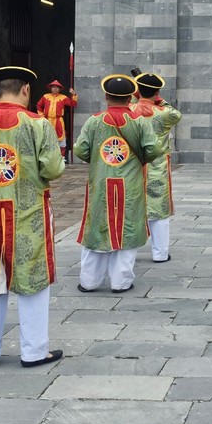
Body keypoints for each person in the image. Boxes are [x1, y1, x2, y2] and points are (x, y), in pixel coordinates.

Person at [0, 66, 64, 368]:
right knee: (33, 278)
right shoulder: (37, 123)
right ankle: (33, 351)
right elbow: (54, 169)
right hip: (27, 211)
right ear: (26, 90)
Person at [74, 74, 162, 293]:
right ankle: (120, 282)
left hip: (101, 183)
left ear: (106, 96)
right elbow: (154, 149)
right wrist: (138, 158)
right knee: (128, 229)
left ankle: (89, 281)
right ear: (131, 97)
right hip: (130, 183)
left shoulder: (95, 120)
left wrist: (96, 159)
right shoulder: (139, 121)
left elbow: (81, 149)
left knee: (96, 228)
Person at [132, 72, 182, 263]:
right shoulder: (166, 113)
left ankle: (128, 251)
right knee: (159, 210)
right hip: (156, 165)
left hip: (132, 165)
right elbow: (175, 113)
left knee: (131, 207)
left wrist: (138, 97)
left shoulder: (130, 110)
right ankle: (160, 253)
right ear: (158, 92)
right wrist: (158, 100)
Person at [36, 79, 78, 161]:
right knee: (46, 137)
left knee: (61, 138)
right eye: (53, 87)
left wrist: (74, 94)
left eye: (57, 87)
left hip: (58, 120)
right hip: (47, 120)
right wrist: (41, 115)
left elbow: (73, 104)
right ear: (50, 88)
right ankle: (47, 156)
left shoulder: (63, 97)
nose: (55, 89)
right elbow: (39, 105)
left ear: (59, 89)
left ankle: (62, 157)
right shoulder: (45, 96)